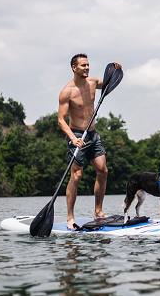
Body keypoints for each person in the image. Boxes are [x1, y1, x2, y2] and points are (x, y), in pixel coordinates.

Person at [57, 53, 122, 230]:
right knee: (76, 176)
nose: (87, 68)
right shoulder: (67, 91)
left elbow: (112, 81)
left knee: (103, 170)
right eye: (83, 65)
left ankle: (98, 212)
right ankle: (70, 217)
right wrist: (73, 138)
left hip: (93, 135)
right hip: (77, 135)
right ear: (74, 68)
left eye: (87, 65)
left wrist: (117, 69)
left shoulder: (93, 82)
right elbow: (61, 120)